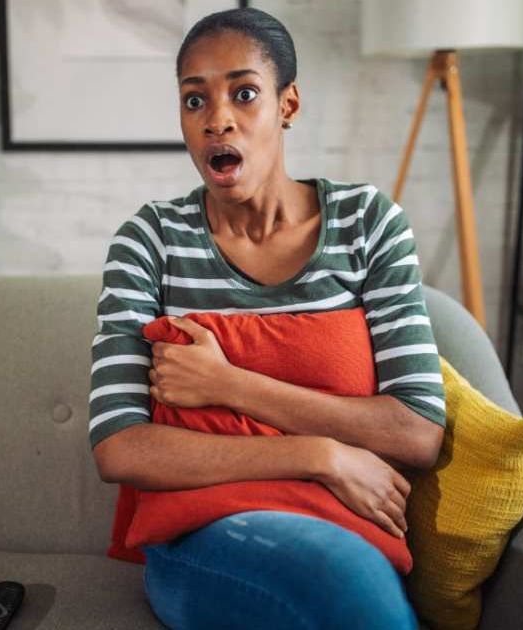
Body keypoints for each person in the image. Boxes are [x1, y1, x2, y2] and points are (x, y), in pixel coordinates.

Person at [88, 8, 445, 630]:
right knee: (335, 585)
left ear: (288, 105)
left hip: (349, 522)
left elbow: (416, 432)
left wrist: (229, 386)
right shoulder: (150, 240)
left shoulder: (368, 223)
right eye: (194, 100)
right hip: (201, 535)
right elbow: (120, 448)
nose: (217, 119)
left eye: (244, 94)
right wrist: (322, 456)